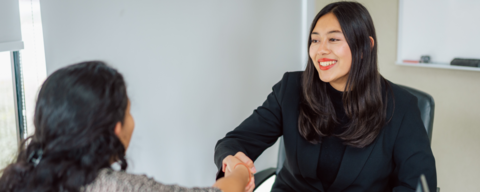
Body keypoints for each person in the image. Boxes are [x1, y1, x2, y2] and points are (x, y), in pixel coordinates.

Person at [214, 1, 436, 192]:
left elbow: (417, 184)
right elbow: (235, 142)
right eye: (315, 40)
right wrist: (233, 161)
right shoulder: (291, 89)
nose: (320, 50)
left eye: (333, 40)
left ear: (365, 47)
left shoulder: (402, 107)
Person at [0, 61, 252, 192]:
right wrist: (240, 173)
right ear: (115, 129)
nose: (132, 120)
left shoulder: (16, 180)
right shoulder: (117, 187)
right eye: (128, 112)